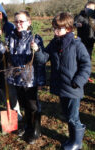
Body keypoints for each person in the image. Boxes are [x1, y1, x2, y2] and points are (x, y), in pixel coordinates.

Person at [36, 12, 91, 149]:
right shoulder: (54, 43)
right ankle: (72, 139)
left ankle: (77, 143)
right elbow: (43, 59)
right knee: (67, 115)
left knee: (73, 117)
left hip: (73, 88)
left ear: (68, 28)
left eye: (58, 28)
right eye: (54, 28)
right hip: (61, 87)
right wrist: (37, 50)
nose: (55, 31)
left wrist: (77, 81)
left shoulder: (76, 44)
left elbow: (86, 65)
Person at [0, 10, 48, 144]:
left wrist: (38, 50)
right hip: (16, 77)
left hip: (30, 79)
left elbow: (42, 61)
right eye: (16, 21)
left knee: (32, 105)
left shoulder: (35, 37)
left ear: (29, 22)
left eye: (21, 21)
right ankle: (28, 125)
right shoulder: (10, 36)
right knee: (23, 103)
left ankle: (35, 129)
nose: (18, 24)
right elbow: (1, 51)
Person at [74, 1, 95, 83]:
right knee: (79, 58)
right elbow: (74, 23)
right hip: (81, 41)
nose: (91, 10)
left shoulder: (93, 17)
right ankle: (78, 74)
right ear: (85, 8)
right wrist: (77, 25)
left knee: (88, 59)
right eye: (89, 8)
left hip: (90, 41)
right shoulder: (80, 16)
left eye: (93, 9)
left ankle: (86, 76)